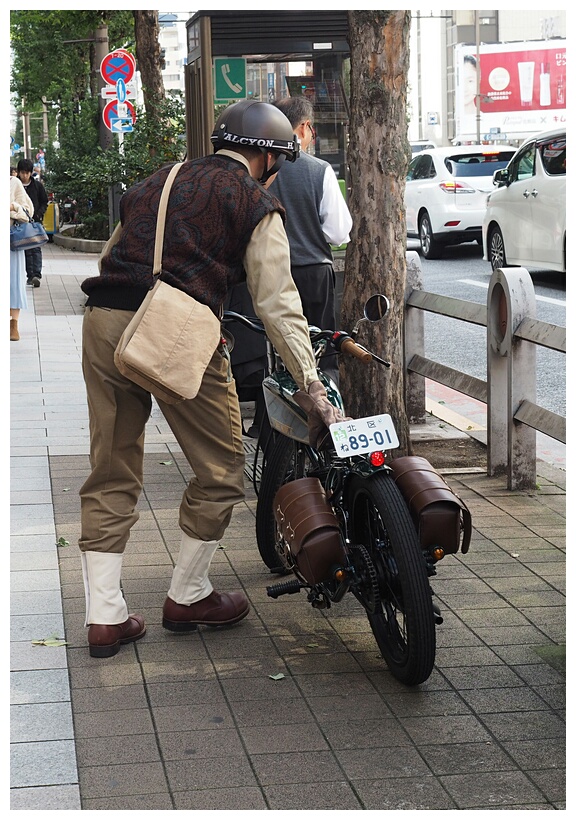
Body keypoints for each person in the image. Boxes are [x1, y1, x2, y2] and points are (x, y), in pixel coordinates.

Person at [78, 99, 344, 659]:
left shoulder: (159, 179)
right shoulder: (254, 201)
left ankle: (104, 617)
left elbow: (111, 255)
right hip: (177, 329)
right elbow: (278, 304)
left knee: (111, 467)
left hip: (105, 321)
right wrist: (313, 386)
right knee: (221, 467)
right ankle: (189, 594)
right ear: (270, 157)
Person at [268, 95, 352, 384]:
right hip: (314, 272)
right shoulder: (319, 170)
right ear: (303, 127)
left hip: (274, 272)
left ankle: (271, 421)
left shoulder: (262, 170)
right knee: (321, 346)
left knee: (280, 348)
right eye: (311, 128)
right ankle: (326, 409)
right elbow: (338, 232)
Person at [17, 158, 48, 288]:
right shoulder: (15, 186)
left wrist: (39, 213)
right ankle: (30, 275)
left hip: (35, 221)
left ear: (31, 173)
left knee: (35, 248)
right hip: (20, 222)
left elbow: (44, 202)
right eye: (22, 172)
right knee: (26, 250)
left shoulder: (37, 186)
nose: (25, 175)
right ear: (18, 172)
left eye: (27, 173)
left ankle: (36, 275)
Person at [10, 175, 34, 341]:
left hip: (10, 241)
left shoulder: (13, 182)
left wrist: (12, 206)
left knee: (13, 282)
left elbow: (27, 212)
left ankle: (14, 324)